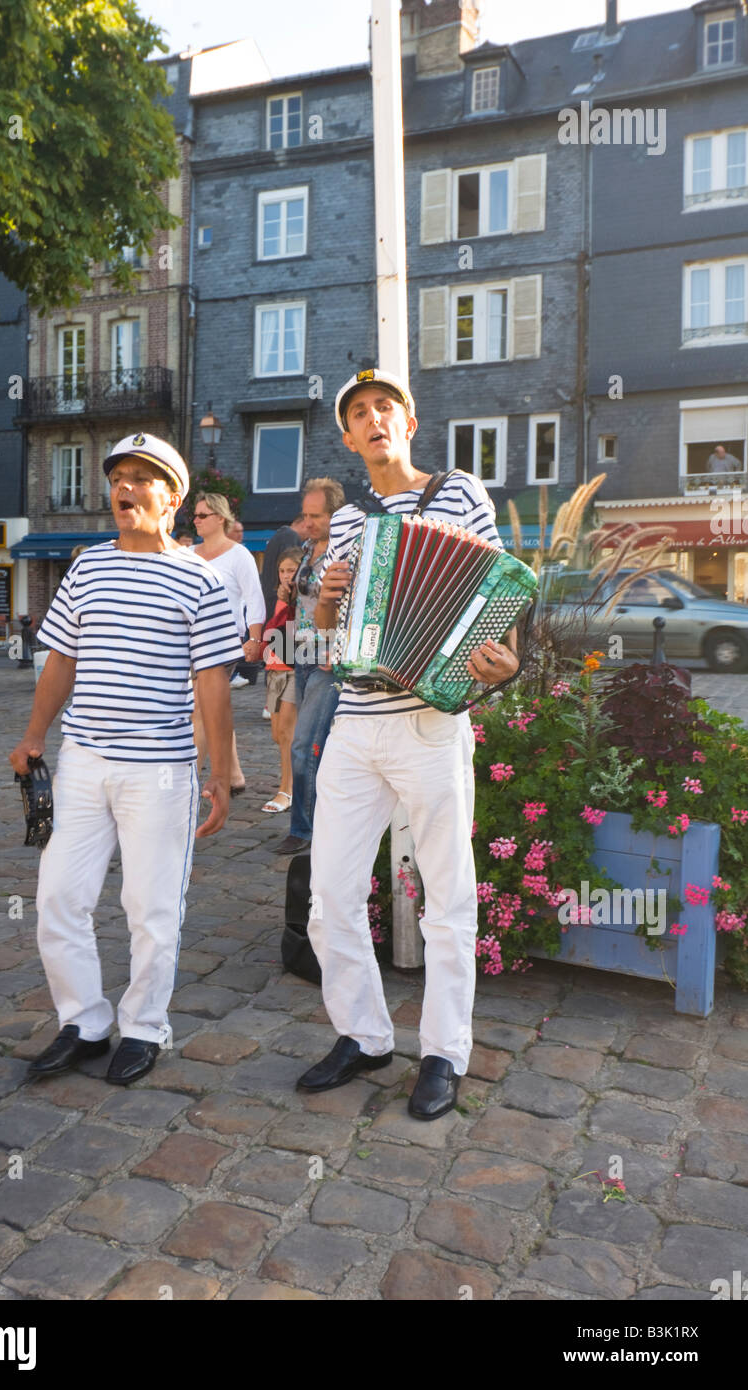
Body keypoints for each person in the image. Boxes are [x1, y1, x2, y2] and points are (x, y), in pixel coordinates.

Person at [296, 370, 518, 1120]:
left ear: (409, 420)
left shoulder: (458, 493)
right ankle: (363, 1035)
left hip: (429, 720)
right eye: (357, 413)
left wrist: (504, 660)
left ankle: (443, 1052)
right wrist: (324, 608)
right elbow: (330, 640)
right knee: (329, 896)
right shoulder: (349, 519)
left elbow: (498, 589)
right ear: (349, 437)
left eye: (383, 406)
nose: (372, 418)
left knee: (446, 895)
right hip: (357, 721)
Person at [9, 431, 241, 1086]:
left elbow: (213, 685)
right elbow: (62, 659)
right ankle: (83, 1021)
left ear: (173, 496)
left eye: (142, 477)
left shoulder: (201, 577)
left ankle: (143, 1026)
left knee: (152, 906)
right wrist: (33, 737)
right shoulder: (87, 566)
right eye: (118, 478)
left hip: (160, 768)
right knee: (58, 896)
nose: (125, 488)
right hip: (82, 759)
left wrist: (220, 773)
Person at [274, 478, 345, 856]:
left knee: (305, 744)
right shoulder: (306, 549)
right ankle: (317, 823)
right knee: (315, 744)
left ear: (335, 515)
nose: (309, 522)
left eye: (316, 516)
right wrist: (286, 591)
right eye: (306, 515)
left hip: (328, 658)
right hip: (300, 652)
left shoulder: (344, 552)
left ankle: (304, 829)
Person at [190, 492, 265, 792]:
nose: (195, 520)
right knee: (215, 706)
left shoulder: (239, 555)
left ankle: (188, 782)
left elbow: (253, 598)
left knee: (199, 707)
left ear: (220, 518)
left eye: (202, 515)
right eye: (194, 515)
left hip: (224, 641)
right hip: (190, 642)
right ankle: (234, 776)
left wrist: (255, 639)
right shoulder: (189, 555)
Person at [259, 548, 302, 814]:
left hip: (296, 667)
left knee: (287, 733)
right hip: (274, 667)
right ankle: (300, 783)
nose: (286, 575)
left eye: (292, 570)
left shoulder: (303, 597)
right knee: (277, 734)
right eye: (283, 570)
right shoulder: (276, 597)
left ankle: (287, 790)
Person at [259, 514, 308, 615]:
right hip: (281, 606)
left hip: (270, 605)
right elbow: (290, 570)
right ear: (304, 524)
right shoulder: (290, 536)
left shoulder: (279, 536)